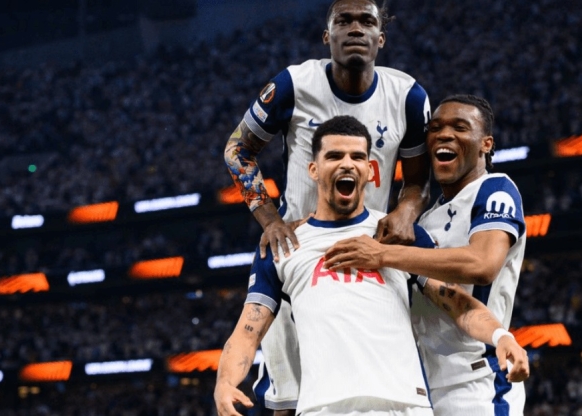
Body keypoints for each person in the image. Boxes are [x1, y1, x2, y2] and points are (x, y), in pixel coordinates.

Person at [214, 116, 526, 416]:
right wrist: (225, 382)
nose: (347, 163)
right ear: (313, 169)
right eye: (334, 156)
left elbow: (456, 301)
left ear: (370, 170)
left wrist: (501, 336)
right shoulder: (283, 246)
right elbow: (247, 333)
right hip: (322, 408)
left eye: (357, 157)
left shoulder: (399, 235)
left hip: (405, 406)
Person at [222, 1, 430, 413]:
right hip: (298, 250)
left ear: (381, 38)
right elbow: (237, 149)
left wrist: (406, 212)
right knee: (285, 395)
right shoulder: (294, 84)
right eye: (343, 21)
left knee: (382, 382)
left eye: (366, 21)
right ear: (326, 36)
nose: (355, 28)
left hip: (372, 251)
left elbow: (418, 180)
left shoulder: (407, 95)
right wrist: (270, 220)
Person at [324, 95, 530, 415]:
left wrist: (384, 254)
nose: (444, 134)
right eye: (435, 128)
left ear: (486, 144)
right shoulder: (425, 221)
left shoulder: (495, 189)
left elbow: (483, 265)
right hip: (424, 387)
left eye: (460, 127)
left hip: (479, 382)